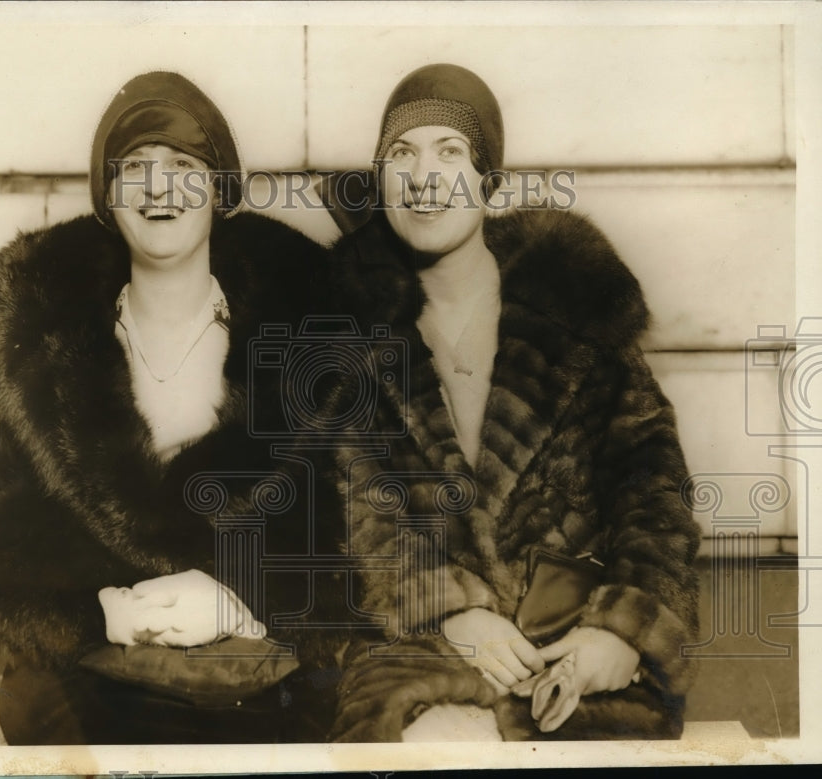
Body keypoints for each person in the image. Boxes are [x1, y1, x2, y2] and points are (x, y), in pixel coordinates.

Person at [0, 71, 342, 745]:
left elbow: (354, 525)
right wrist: (103, 615)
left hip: (258, 676)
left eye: (184, 167)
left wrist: (239, 600)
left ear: (220, 189)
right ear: (107, 197)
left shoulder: (309, 340)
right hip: (88, 679)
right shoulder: (51, 352)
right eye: (134, 168)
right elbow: (5, 544)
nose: (158, 188)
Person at [323, 63, 702, 741]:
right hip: (421, 649)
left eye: (450, 152)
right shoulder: (352, 339)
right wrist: (448, 610)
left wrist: (621, 629)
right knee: (423, 737)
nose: (423, 177)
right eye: (401, 154)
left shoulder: (574, 313)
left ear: (487, 179)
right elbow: (356, 507)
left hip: (575, 651)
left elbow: (653, 493)